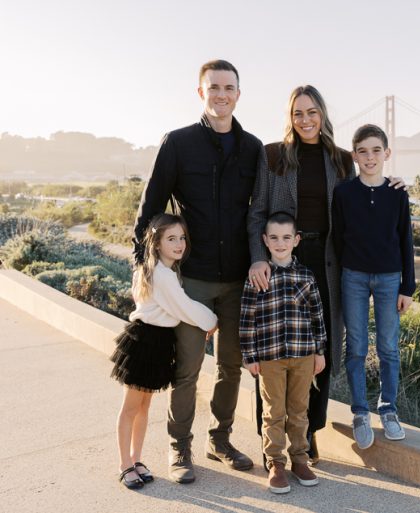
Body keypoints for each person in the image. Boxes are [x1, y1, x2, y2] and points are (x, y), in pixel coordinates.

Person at [247, 85, 405, 465]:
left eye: (312, 112)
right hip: (283, 257)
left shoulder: (340, 159)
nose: (306, 120)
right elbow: (256, 213)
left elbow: (361, 198)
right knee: (275, 346)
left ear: (323, 115)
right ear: (290, 116)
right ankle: (272, 439)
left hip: (328, 262)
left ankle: (309, 432)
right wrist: (258, 258)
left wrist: (394, 190)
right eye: (298, 113)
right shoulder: (272, 156)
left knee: (321, 346)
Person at [133, 59, 266, 483]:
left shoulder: (254, 148)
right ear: (201, 93)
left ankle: (220, 440)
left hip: (238, 279)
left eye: (229, 88)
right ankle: (179, 448)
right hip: (190, 281)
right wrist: (146, 269)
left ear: (239, 94)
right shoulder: (178, 143)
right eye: (214, 88)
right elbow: (150, 210)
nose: (221, 95)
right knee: (186, 369)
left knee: (230, 366)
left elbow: (262, 210)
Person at [111, 214, 218, 490]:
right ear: (157, 243)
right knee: (131, 408)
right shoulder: (161, 274)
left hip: (158, 342)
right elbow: (183, 307)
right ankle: (124, 464)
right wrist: (212, 320)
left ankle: (136, 459)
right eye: (171, 238)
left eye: (182, 238)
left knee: (144, 407)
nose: (179, 243)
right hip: (145, 341)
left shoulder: (164, 270)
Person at [332, 124, 416, 448]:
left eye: (376, 150)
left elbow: (405, 240)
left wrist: (407, 287)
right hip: (353, 276)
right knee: (356, 347)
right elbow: (338, 238)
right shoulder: (343, 193)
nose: (370, 157)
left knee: (388, 347)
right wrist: (345, 272)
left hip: (389, 278)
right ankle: (360, 413)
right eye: (363, 151)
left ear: (387, 154)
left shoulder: (398, 193)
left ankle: (389, 411)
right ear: (354, 155)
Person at [240, 212, 326, 494]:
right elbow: (247, 318)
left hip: (302, 354)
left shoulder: (306, 275)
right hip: (270, 356)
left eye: (286, 237)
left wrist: (319, 351)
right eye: (274, 238)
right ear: (265, 240)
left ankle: (300, 460)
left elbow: (317, 315)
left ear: (296, 240)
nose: (280, 243)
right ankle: (275, 463)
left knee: (299, 410)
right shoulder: (258, 276)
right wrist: (250, 355)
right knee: (273, 412)